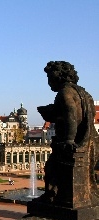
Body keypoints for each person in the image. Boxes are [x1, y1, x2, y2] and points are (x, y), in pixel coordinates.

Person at [37, 61, 99, 203]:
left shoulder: (65, 92)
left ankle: (54, 196)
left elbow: (71, 114)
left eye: (49, 78)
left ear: (57, 77)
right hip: (91, 142)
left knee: (52, 168)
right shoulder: (85, 93)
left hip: (74, 143)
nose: (48, 82)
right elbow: (85, 116)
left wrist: (69, 140)